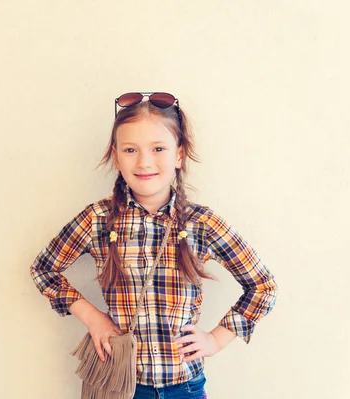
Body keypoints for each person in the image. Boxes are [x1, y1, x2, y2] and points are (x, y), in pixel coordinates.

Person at [29, 92, 278, 399]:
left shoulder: (202, 223)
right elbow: (43, 270)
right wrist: (94, 318)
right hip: (121, 384)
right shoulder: (97, 219)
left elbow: (262, 286)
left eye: (158, 148)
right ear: (116, 156)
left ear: (179, 154)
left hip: (184, 386)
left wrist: (215, 340)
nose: (144, 161)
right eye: (130, 149)